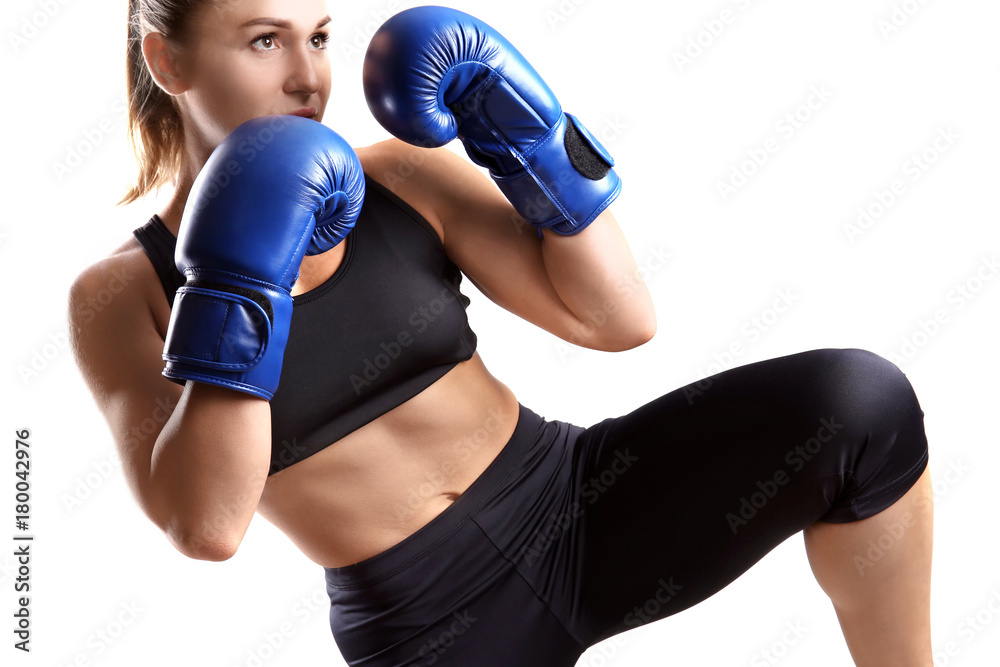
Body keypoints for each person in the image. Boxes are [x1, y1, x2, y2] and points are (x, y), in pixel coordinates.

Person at [68, 1, 934, 665]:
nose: (308, 77)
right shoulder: (123, 292)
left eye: (320, 37)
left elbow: (618, 317)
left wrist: (532, 140)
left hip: (577, 504)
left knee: (859, 404)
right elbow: (208, 524)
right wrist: (237, 274)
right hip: (424, 626)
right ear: (167, 58)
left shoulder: (397, 175)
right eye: (265, 40)